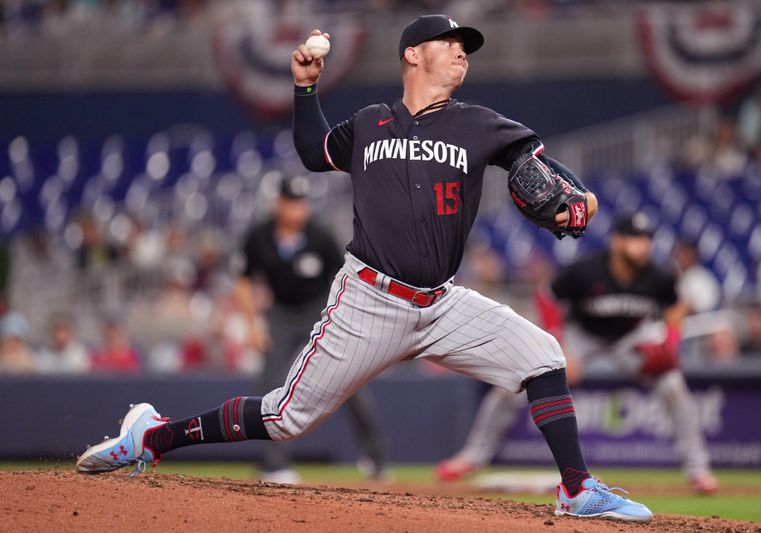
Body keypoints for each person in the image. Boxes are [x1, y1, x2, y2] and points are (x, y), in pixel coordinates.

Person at [76, 15, 652, 522]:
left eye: (465, 46)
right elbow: (312, 152)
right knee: (284, 418)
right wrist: (305, 89)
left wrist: (581, 198)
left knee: (543, 356)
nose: (461, 51)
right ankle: (151, 436)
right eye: (448, 42)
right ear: (412, 54)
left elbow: (538, 166)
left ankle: (577, 490)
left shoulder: (479, 124)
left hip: (443, 304)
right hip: (369, 300)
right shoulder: (370, 123)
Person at [437, 213, 719, 494]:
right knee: (515, 384)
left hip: (631, 339)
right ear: (616, 242)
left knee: (674, 387)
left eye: (647, 240)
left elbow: (675, 306)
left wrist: (670, 342)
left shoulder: (657, 275)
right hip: (581, 335)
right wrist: (562, 349)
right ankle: (473, 455)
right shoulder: (586, 270)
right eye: (635, 238)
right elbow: (547, 298)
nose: (643, 245)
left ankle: (699, 471)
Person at [236, 174, 387, 483]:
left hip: (318, 313)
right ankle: (274, 464)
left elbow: (345, 278)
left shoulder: (320, 236)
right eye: (291, 202)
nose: (297, 209)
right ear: (277, 203)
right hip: (279, 316)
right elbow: (243, 281)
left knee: (350, 384)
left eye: (301, 202)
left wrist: (342, 320)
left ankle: (375, 458)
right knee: (270, 385)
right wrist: (252, 325)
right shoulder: (259, 236)